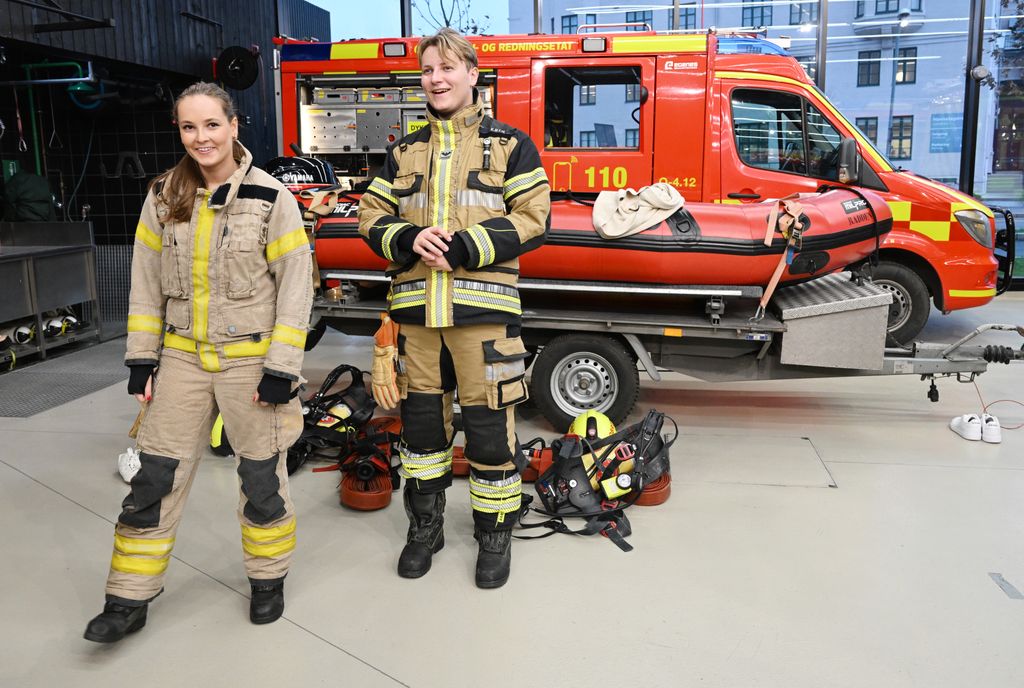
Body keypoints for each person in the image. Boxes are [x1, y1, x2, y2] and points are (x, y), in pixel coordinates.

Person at [84, 82, 313, 643]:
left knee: (261, 476)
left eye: (212, 124)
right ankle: (127, 597)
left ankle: (267, 580)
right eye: (189, 127)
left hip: (251, 363)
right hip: (182, 358)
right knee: (154, 477)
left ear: (235, 126)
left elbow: (296, 287)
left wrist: (282, 368)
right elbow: (144, 282)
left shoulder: (271, 197)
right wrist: (142, 359)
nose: (201, 137)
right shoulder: (164, 194)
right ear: (179, 132)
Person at [358, 29, 551, 589]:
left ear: (473, 75)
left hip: (482, 320)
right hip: (417, 319)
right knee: (420, 432)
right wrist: (406, 238)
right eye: (427, 70)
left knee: (491, 431)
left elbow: (536, 218)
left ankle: (494, 534)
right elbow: (370, 215)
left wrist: (466, 247)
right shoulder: (401, 151)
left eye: (447, 68)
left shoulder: (512, 146)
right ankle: (426, 527)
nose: (436, 79)